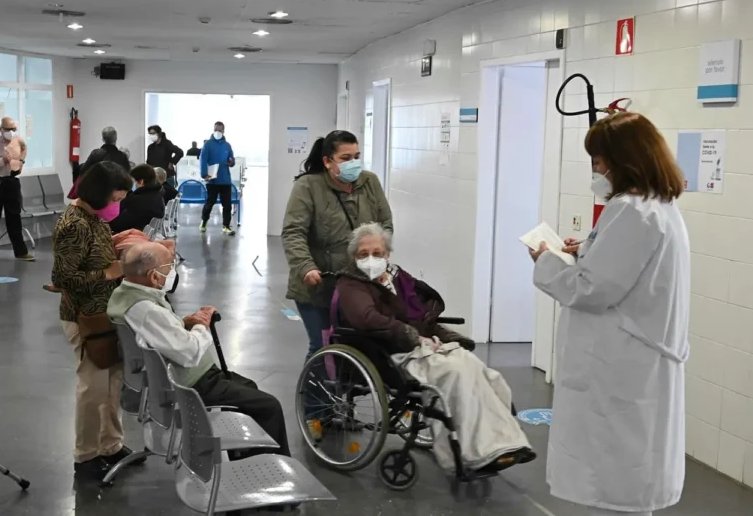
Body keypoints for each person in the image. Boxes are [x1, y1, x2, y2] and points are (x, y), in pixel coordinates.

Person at [529, 112, 689, 516]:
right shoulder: (657, 208)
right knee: (626, 479)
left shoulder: (632, 211)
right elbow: (623, 267)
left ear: (624, 160)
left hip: (619, 367)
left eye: (599, 162)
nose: (597, 171)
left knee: (613, 481)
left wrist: (547, 261)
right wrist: (585, 249)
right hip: (632, 361)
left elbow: (592, 289)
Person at [336, 223, 534, 474]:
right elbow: (366, 318)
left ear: (387, 254)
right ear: (354, 257)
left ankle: (506, 442)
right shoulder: (351, 284)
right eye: (363, 254)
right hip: (393, 352)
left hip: (424, 345)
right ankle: (473, 452)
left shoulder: (400, 278)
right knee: (456, 375)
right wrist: (415, 337)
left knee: (480, 371)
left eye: (377, 252)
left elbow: (423, 318)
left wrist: (446, 336)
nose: (371, 259)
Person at [108, 242, 290, 456]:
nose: (173, 271)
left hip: (181, 374)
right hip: (192, 382)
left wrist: (184, 322)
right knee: (269, 407)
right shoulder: (145, 309)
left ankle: (243, 454)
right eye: (170, 266)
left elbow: (159, 332)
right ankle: (268, 469)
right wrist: (201, 325)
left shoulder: (126, 293)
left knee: (248, 387)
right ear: (155, 276)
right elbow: (190, 353)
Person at [51, 160, 143, 476]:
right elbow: (64, 277)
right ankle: (86, 455)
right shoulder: (74, 224)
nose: (117, 206)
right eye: (115, 199)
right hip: (84, 317)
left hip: (105, 314)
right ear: (98, 193)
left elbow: (94, 252)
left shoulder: (93, 219)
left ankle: (111, 444)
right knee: (93, 387)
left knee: (112, 382)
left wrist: (118, 245)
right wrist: (109, 271)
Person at [282, 131, 392, 368]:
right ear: (327, 161)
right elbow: (293, 232)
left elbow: (385, 226)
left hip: (360, 284)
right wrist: (306, 267)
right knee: (323, 347)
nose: (354, 163)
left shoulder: (370, 182)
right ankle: (314, 404)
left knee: (353, 348)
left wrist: (380, 256)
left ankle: (342, 402)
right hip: (320, 284)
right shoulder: (308, 186)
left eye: (357, 156)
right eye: (346, 157)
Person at [0, 117, 33, 262]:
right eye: (8, 129)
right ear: (1, 129)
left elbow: (24, 149)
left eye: (13, 129)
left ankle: (21, 252)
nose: (11, 132)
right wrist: (1, 161)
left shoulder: (18, 141)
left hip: (11, 181)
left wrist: (21, 161)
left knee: (14, 217)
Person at [199, 121, 236, 235]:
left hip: (225, 180)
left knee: (227, 204)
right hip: (212, 180)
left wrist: (231, 162)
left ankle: (226, 225)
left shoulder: (227, 145)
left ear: (223, 131)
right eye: (216, 129)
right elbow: (203, 159)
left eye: (220, 130)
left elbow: (231, 159)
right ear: (213, 130)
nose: (218, 132)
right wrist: (204, 174)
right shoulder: (208, 144)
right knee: (210, 202)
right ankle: (204, 222)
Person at [110, 165, 167, 235]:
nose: (132, 185)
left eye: (133, 181)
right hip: (144, 234)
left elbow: (117, 225)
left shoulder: (138, 201)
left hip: (132, 235)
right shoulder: (157, 194)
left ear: (141, 181)